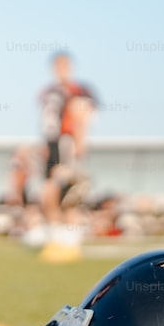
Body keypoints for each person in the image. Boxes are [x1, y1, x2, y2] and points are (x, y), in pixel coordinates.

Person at [36, 51, 97, 262]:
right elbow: (47, 123)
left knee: (67, 195)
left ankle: (70, 243)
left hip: (67, 144)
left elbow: (82, 115)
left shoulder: (78, 90)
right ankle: (57, 240)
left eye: (65, 65)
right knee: (50, 195)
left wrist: (79, 143)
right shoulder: (49, 91)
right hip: (52, 145)